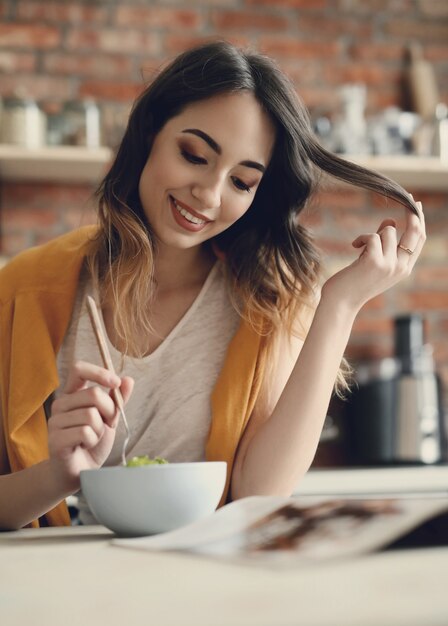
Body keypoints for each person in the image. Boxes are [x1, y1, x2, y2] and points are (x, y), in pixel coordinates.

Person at [0, 41, 425, 529]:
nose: (209, 194)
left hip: (202, 590)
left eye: (242, 182)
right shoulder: (21, 292)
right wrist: (60, 475)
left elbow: (259, 493)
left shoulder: (269, 302)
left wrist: (341, 303)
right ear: (149, 135)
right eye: (194, 154)